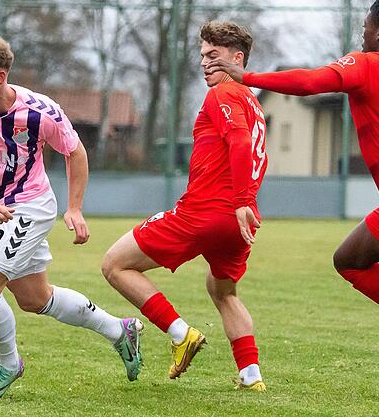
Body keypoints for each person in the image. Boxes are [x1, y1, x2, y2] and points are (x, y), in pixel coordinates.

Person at [206, 0, 379, 379]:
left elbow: (310, 81)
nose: (363, 31)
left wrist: (247, 77)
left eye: (366, 25)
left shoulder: (368, 65)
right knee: (350, 260)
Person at [0, 32, 143, 399]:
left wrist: (75, 208)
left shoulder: (39, 111)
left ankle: (8, 363)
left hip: (31, 206)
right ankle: (120, 330)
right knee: (35, 299)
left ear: (0, 77)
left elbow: (75, 152)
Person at [102, 21, 268, 391]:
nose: (206, 63)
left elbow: (239, 142)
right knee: (222, 290)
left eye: (215, 55)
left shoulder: (223, 95)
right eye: (203, 56)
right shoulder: (254, 104)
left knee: (114, 264)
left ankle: (181, 335)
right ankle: (251, 375)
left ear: (237, 58)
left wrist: (239, 200)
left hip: (207, 213)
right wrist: (244, 204)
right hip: (240, 222)